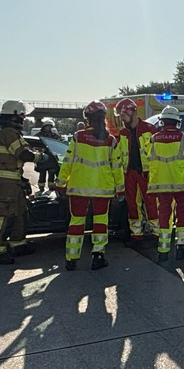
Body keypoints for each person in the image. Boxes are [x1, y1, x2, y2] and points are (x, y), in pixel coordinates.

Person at [56, 101, 124, 270]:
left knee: (76, 221)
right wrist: (120, 188)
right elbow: (117, 166)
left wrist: (60, 184)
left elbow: (68, 162)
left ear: (87, 118)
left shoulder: (78, 137)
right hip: (103, 188)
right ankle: (98, 256)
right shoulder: (110, 140)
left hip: (79, 188)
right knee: (101, 222)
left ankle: (71, 258)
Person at [0, 100, 50, 265]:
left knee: (20, 212)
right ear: (14, 115)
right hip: (5, 181)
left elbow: (24, 149)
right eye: (22, 114)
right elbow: (23, 154)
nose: (23, 117)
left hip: (13, 179)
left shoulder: (9, 132)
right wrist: (42, 158)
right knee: (5, 215)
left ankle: (18, 243)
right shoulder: (8, 132)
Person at [141, 105, 184, 261]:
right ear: (177, 122)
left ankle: (163, 250)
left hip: (161, 184)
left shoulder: (152, 139)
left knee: (164, 215)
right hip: (181, 184)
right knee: (182, 215)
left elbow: (147, 157)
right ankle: (181, 247)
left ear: (162, 122)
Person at [113, 98, 157, 244]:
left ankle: (157, 234)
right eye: (120, 115)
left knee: (152, 204)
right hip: (129, 173)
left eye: (124, 114)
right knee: (132, 204)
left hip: (147, 173)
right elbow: (118, 156)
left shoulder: (149, 130)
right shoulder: (123, 133)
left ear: (133, 111)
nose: (122, 118)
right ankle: (136, 235)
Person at [35, 119, 61, 191]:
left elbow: (59, 143)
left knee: (52, 174)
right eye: (47, 126)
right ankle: (41, 188)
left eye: (50, 126)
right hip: (43, 157)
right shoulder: (39, 135)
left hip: (52, 157)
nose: (49, 128)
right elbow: (34, 144)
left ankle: (51, 188)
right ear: (44, 127)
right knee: (42, 174)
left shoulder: (54, 136)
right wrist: (38, 149)